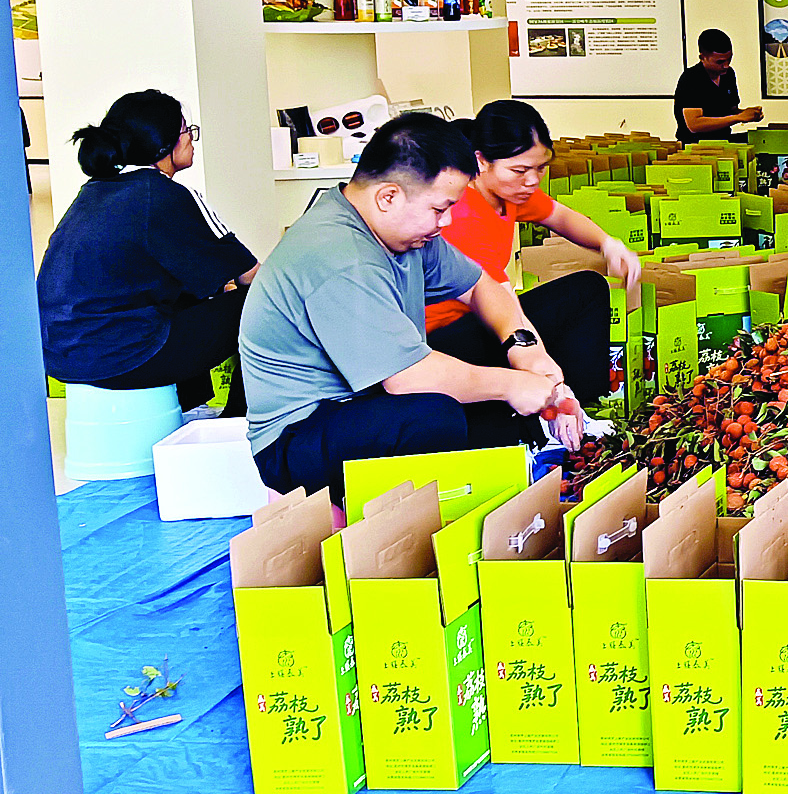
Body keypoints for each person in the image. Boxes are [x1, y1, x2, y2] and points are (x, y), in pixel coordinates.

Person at [241, 112, 582, 502]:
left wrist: (525, 351)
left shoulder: (405, 235)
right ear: (388, 196)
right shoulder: (341, 255)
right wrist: (512, 385)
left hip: (368, 399)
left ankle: (522, 457)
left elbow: (481, 286)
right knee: (435, 415)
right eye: (440, 209)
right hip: (300, 435)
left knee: (495, 362)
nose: (448, 220)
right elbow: (405, 380)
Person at [38, 89, 258, 414]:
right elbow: (253, 278)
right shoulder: (164, 194)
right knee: (262, 305)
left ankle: (191, 410)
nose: (192, 140)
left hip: (61, 355)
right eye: (186, 131)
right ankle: (242, 422)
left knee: (185, 298)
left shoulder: (95, 192)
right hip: (119, 358)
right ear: (164, 144)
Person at [425, 100, 640, 406]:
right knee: (570, 303)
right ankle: (572, 406)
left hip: (483, 318)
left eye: (540, 168)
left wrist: (609, 244)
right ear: (481, 161)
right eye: (520, 170)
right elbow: (502, 304)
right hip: (445, 341)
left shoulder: (509, 192)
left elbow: (561, 217)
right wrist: (549, 377)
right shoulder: (464, 214)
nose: (532, 180)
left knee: (587, 288)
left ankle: (588, 404)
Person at [674, 28, 764, 142]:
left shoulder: (728, 75)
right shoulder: (691, 78)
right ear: (702, 58)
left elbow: (729, 112)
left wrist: (747, 114)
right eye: (720, 62)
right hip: (695, 144)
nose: (726, 65)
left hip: (723, 140)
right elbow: (694, 125)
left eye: (729, 59)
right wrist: (738, 117)